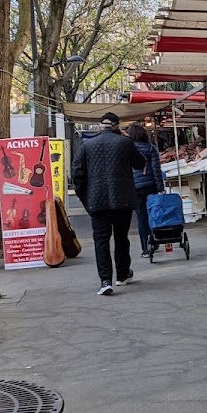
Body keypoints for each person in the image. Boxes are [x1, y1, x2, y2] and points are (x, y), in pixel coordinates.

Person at [71, 112, 146, 295]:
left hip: (97, 201)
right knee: (121, 238)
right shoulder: (125, 143)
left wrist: (86, 198)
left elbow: (77, 174)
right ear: (116, 126)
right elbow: (140, 163)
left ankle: (105, 281)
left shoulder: (87, 146)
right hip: (122, 200)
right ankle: (122, 274)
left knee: (101, 240)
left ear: (100, 126)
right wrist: (127, 139)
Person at [128, 123, 165, 256]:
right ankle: (154, 241)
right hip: (150, 186)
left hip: (135, 188)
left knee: (141, 217)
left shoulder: (128, 150)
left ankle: (145, 248)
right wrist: (160, 188)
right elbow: (156, 170)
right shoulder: (150, 148)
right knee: (153, 214)